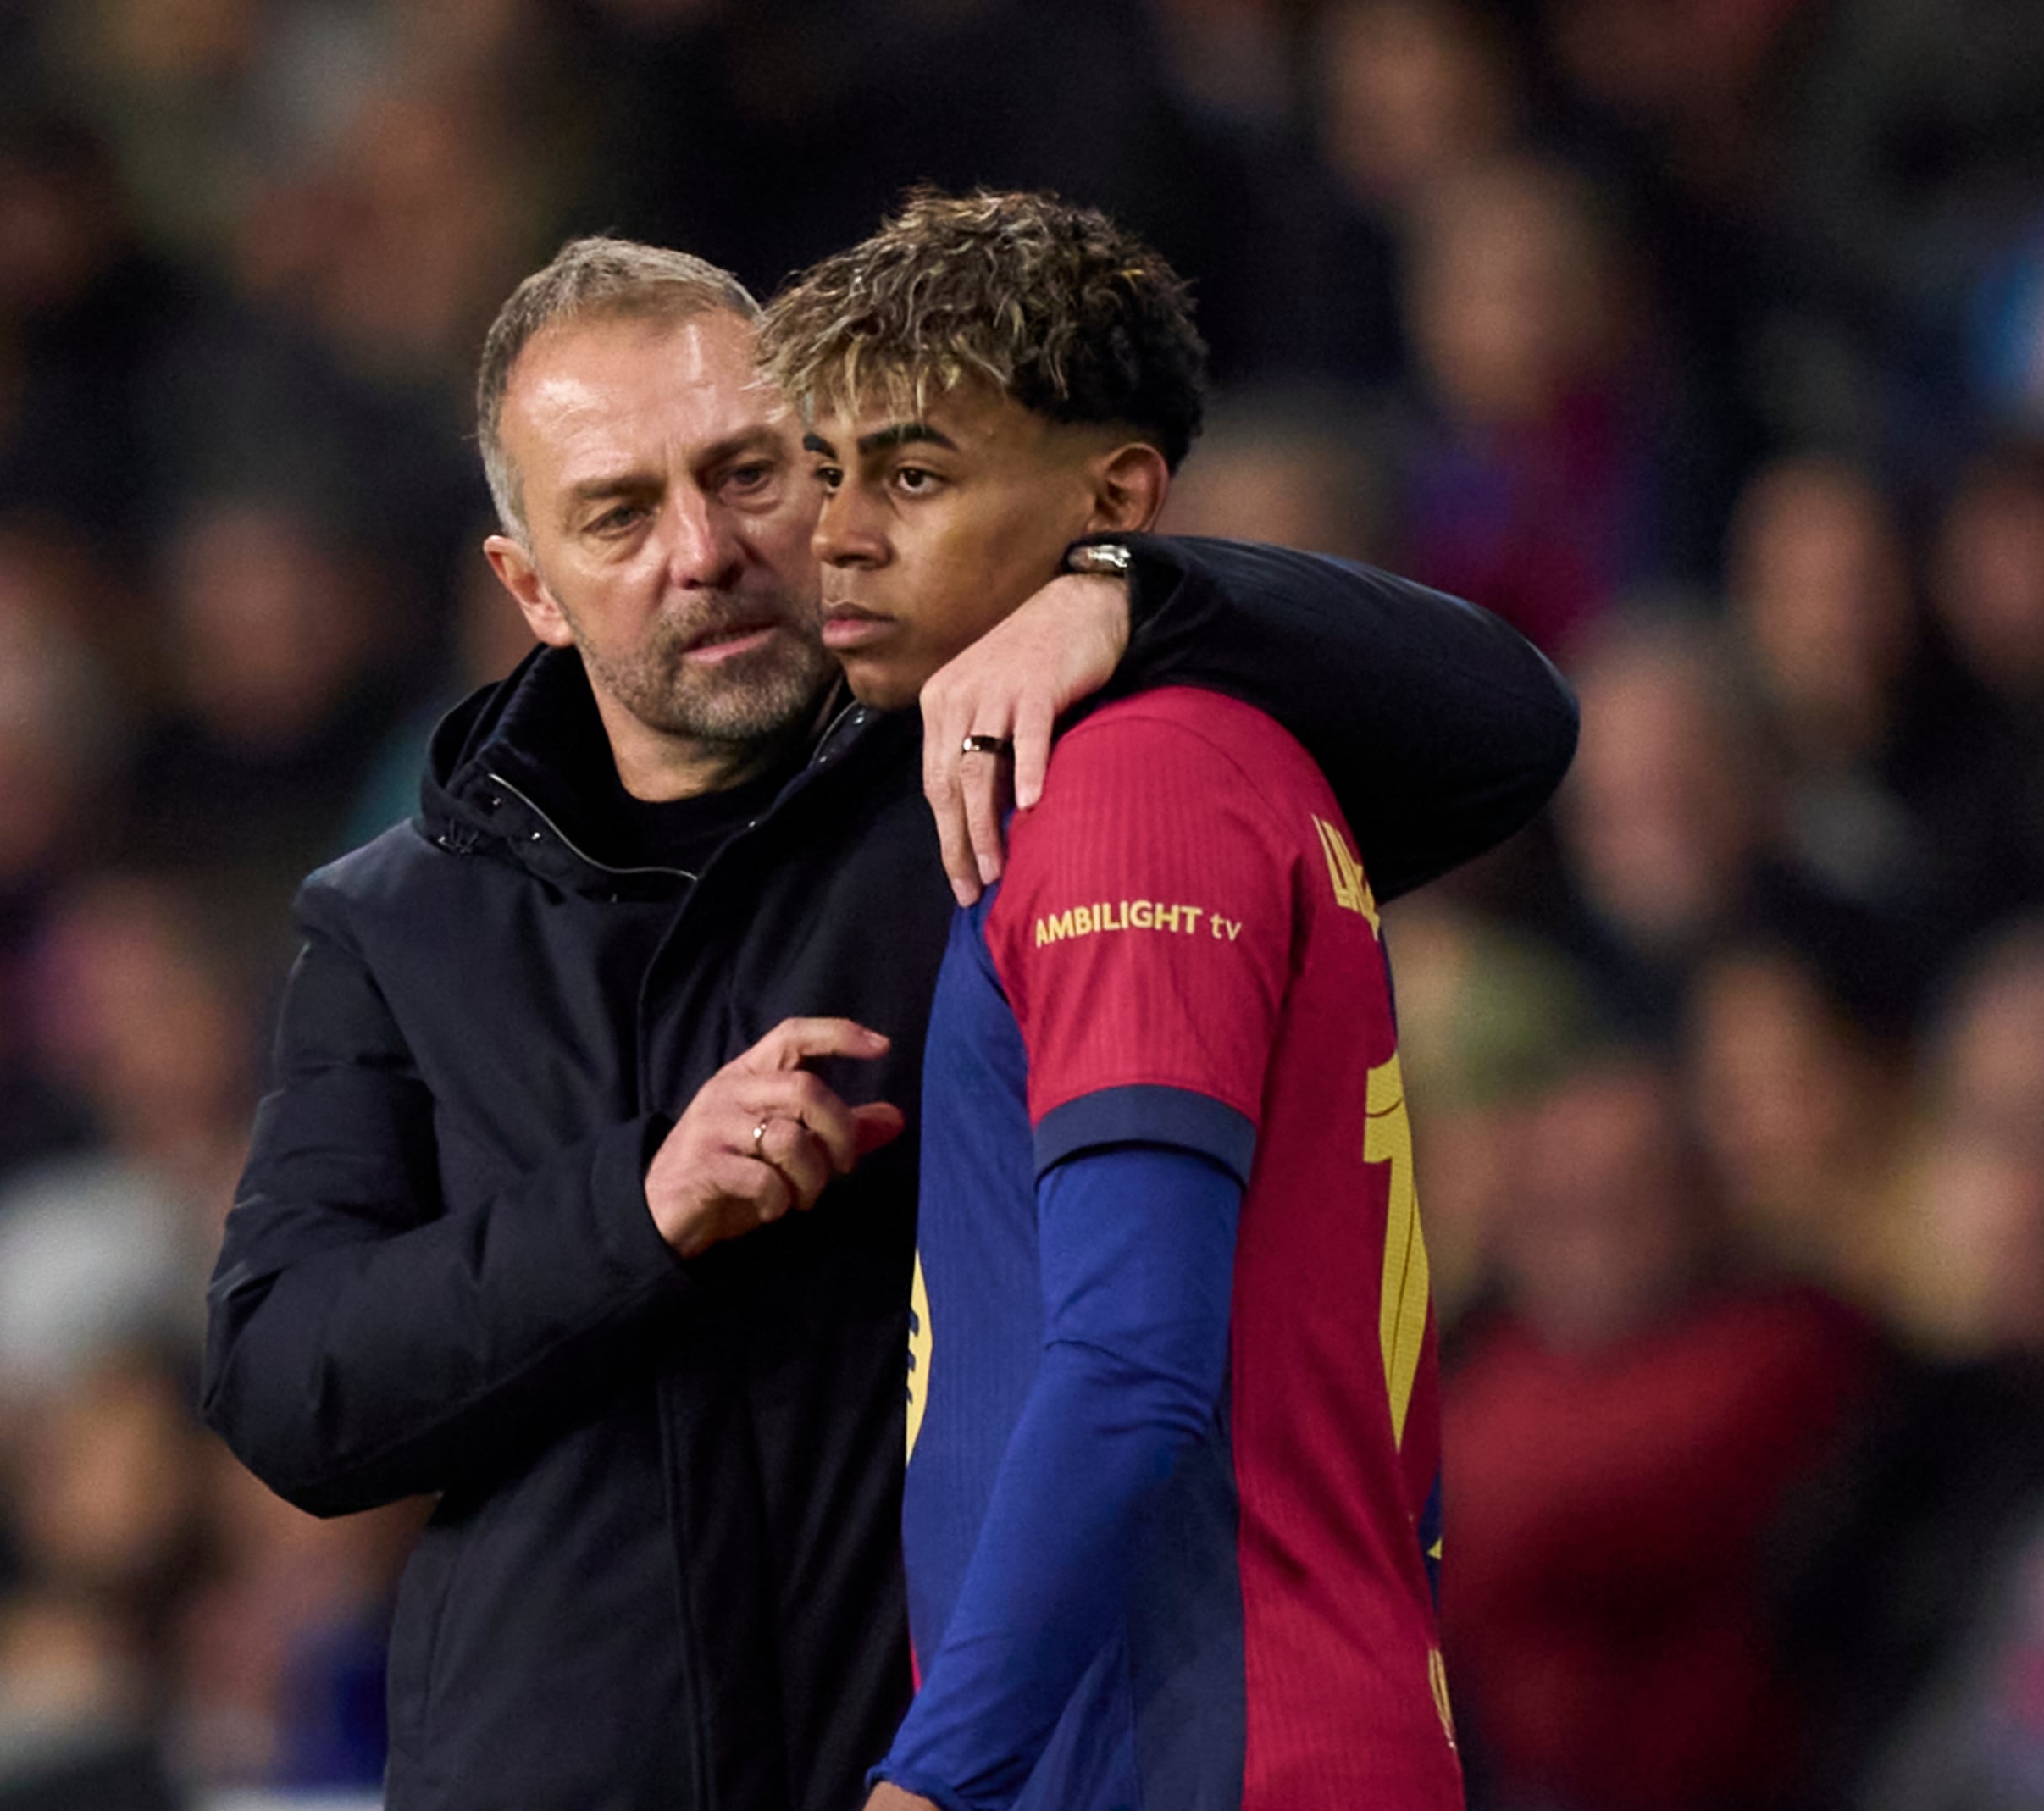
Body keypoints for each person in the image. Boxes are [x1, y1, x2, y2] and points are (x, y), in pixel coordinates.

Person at [201, 234, 1575, 1811]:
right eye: (620, 513)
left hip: (956, 1762)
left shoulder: (1019, 771)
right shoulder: (399, 919)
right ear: (534, 589)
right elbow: (288, 1380)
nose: (704, 548)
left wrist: (1136, 595)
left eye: (749, 473)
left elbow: (1501, 730)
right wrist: (636, 1207)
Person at [757, 191, 1478, 1808]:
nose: (841, 530)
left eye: (915, 473)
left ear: (1118, 497)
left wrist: (935, 1778)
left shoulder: (1134, 790)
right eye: (827, 472)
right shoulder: (1167, 765)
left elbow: (1136, 1353)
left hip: (1200, 1749)